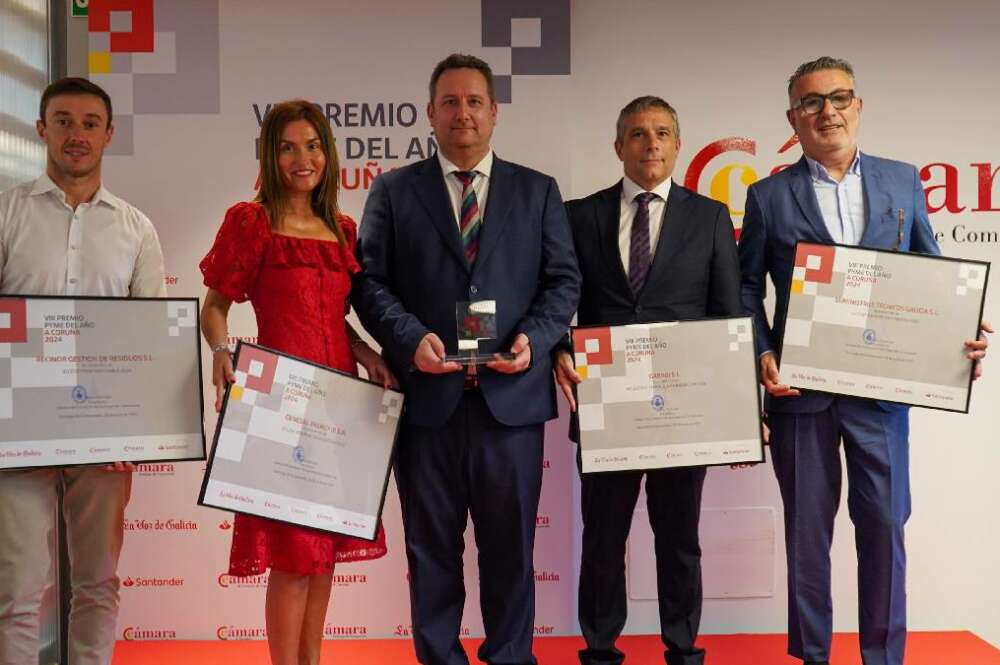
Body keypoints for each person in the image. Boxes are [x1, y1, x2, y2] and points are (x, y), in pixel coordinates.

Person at [737, 56, 990, 665]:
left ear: (859, 107)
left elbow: (932, 273)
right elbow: (746, 290)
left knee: (884, 528)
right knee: (807, 536)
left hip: (883, 392)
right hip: (801, 393)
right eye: (812, 102)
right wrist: (764, 353)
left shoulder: (902, 182)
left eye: (840, 98)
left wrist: (961, 334)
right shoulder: (767, 196)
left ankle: (883, 657)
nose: (828, 111)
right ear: (792, 119)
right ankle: (814, 657)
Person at [353, 54, 580, 665]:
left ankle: (510, 656)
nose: (463, 113)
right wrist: (409, 339)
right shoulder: (394, 191)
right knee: (430, 552)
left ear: (494, 112)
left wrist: (534, 337)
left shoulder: (538, 191)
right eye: (450, 102)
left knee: (511, 552)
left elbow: (563, 282)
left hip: (512, 402)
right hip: (428, 405)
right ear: (430, 113)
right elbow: (369, 283)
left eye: (474, 101)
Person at [199, 99, 396, 665]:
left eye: (312, 145)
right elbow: (215, 308)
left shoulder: (343, 227)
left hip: (339, 408)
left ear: (328, 153)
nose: (302, 158)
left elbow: (333, 315)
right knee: (292, 555)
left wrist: (366, 352)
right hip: (278, 407)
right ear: (271, 152)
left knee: (322, 552)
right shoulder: (250, 221)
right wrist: (219, 350)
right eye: (288, 146)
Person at [553, 96, 742, 665]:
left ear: (678, 145)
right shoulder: (577, 216)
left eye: (662, 133)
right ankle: (601, 649)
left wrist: (738, 408)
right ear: (618, 147)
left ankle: (683, 649)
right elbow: (557, 299)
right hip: (607, 404)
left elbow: (728, 315)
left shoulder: (709, 217)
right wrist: (561, 347)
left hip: (684, 409)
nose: (650, 144)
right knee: (604, 539)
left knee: (679, 539)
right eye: (637, 134)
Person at [0, 77, 166, 665]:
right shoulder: (6, 213)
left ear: (109, 135)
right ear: (41, 129)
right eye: (63, 121)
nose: (77, 134)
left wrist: (137, 431)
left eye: (90, 123)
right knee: (17, 592)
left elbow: (152, 339)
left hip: (104, 436)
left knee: (97, 584)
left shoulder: (135, 228)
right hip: (17, 434)